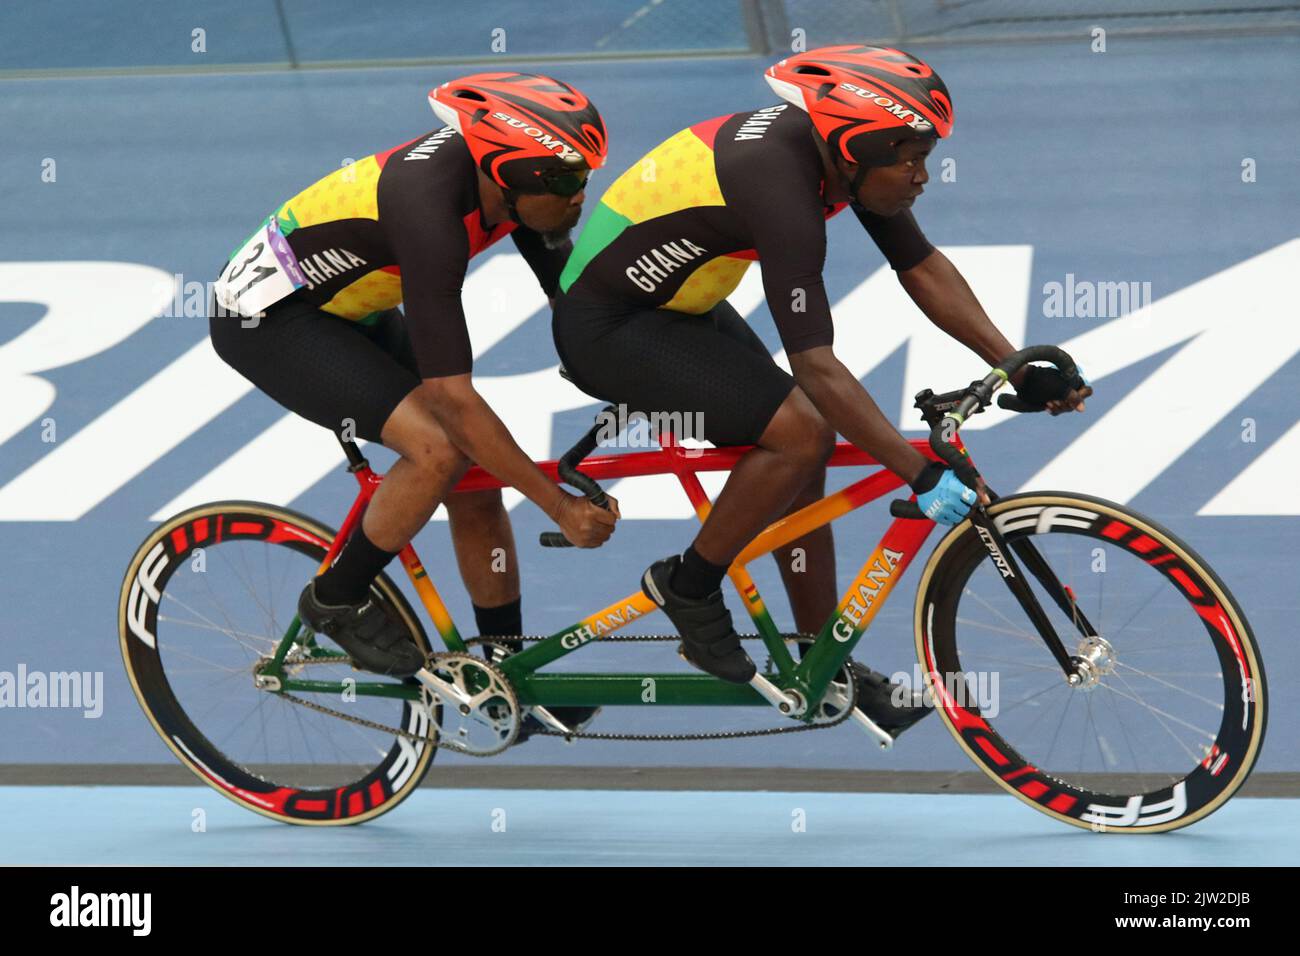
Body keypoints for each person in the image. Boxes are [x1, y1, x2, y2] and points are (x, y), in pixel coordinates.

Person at [552, 45, 1090, 736]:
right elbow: (815, 363)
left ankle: (821, 658)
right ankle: (687, 587)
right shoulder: (776, 182)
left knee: (798, 448)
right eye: (910, 159)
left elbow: (919, 265)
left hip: (678, 307)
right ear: (853, 147)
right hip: (609, 328)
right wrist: (920, 472)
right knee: (803, 429)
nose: (922, 175)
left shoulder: (840, 157)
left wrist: (1013, 363)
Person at [209, 73, 621, 700]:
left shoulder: (519, 187)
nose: (578, 196)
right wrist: (558, 506)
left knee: (478, 484)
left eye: (585, 176)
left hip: (351, 307)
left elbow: (577, 303)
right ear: (506, 175)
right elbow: (454, 399)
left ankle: (504, 676)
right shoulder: (428, 213)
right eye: (565, 180)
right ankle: (336, 598)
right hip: (269, 321)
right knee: (441, 449)